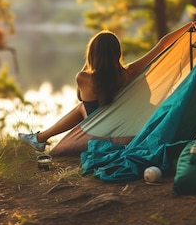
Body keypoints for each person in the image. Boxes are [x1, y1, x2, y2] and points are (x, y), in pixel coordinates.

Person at [18, 29, 171, 152]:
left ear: (92, 54)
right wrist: (189, 27)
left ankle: (40, 139)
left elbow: (80, 97)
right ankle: (39, 138)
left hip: (102, 134)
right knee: (89, 107)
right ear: (117, 52)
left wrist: (90, 61)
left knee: (81, 108)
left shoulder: (83, 78)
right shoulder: (130, 72)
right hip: (133, 131)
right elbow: (162, 44)